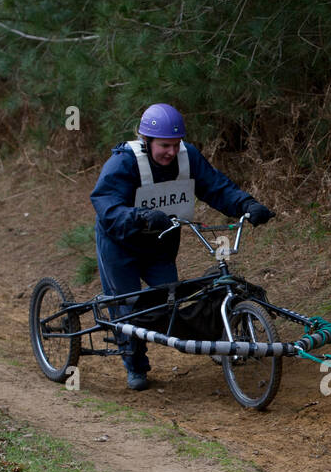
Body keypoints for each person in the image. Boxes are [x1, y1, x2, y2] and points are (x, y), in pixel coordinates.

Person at [90, 103, 274, 390]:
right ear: (146, 141)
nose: (172, 152)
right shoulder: (123, 163)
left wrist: (247, 205)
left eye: (176, 145)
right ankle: (135, 366)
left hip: (160, 244)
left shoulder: (188, 158)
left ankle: (210, 340)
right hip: (120, 244)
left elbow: (216, 187)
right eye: (164, 146)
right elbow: (106, 205)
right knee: (127, 307)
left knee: (169, 302)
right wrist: (139, 217)